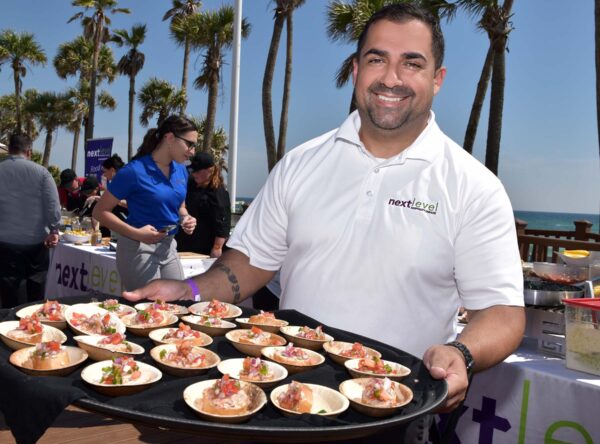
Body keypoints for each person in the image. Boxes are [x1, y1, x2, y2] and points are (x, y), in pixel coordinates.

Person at [123, 3, 525, 431]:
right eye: (377, 59)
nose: (391, 78)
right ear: (355, 70)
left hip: (393, 411)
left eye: (412, 63)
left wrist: (461, 354)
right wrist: (188, 289)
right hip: (283, 395)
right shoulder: (301, 163)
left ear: (437, 79)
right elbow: (250, 261)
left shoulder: (472, 186)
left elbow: (502, 311)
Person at [93, 115, 198, 291]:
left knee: (179, 304)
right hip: (137, 247)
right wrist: (137, 234)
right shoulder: (133, 171)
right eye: (190, 144)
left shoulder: (181, 170)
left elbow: (180, 205)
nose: (192, 151)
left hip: (169, 245)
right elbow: (99, 212)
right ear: (170, 138)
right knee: (149, 310)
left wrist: (186, 217)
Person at [0, 134, 61, 308]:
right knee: (35, 291)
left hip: (4, 243)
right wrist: (54, 230)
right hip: (35, 243)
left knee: (9, 291)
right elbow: (52, 206)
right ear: (29, 151)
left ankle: (8, 327)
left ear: (10, 149)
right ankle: (33, 326)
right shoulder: (42, 173)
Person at [175, 151, 231, 258]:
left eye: (197, 171)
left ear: (209, 170)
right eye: (193, 170)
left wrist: (217, 248)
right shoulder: (191, 184)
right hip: (183, 244)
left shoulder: (218, 192)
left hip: (203, 249)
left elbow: (223, 224)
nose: (194, 173)